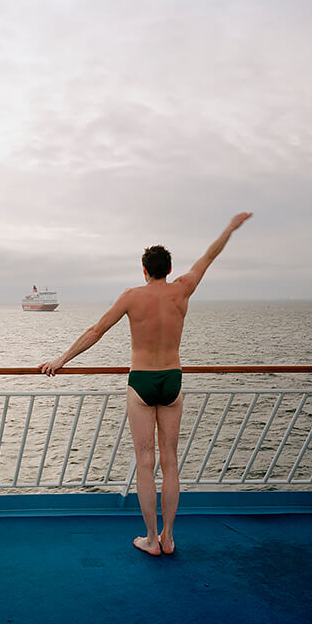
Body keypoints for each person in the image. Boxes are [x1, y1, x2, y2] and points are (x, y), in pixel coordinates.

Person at [39, 212, 253, 556]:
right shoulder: (183, 289)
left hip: (141, 381)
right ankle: (169, 537)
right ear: (169, 269)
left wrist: (61, 360)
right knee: (170, 461)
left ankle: (151, 540)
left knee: (145, 462)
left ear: (144, 270)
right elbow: (209, 257)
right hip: (172, 378)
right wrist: (230, 228)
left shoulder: (131, 296)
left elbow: (96, 331)